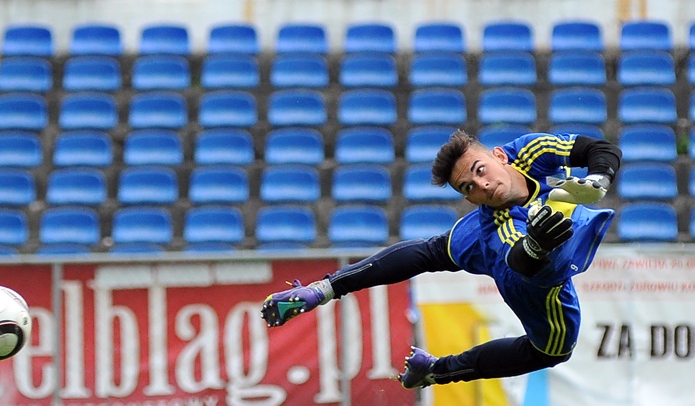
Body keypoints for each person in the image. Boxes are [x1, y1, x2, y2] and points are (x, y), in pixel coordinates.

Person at [260, 130, 622, 389]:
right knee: (553, 348)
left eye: (480, 171)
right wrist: (537, 245)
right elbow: (521, 263)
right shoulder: (496, 229)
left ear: (499, 155)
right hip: (524, 271)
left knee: (431, 251)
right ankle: (437, 370)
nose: (481, 186)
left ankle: (327, 293)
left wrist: (599, 176)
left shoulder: (530, 150)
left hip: (520, 238)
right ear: (468, 199)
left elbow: (599, 148)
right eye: (468, 188)